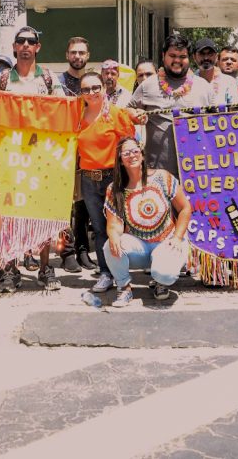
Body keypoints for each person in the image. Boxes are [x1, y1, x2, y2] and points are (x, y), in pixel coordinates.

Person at [0, 26, 65, 291]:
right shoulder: (3, 80)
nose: (25, 45)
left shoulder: (50, 80)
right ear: (14, 47)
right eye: (20, 41)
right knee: (9, 213)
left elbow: (64, 113)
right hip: (9, 158)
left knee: (42, 213)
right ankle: (10, 269)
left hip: (41, 158)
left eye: (31, 42)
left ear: (38, 47)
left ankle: (45, 268)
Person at [103, 137, 192, 307]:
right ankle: (124, 288)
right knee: (109, 245)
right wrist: (114, 235)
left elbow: (185, 209)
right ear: (120, 160)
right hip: (139, 246)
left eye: (135, 151)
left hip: (166, 240)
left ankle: (161, 281)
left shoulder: (162, 178)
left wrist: (178, 237)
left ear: (142, 154)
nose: (132, 155)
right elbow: (114, 224)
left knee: (164, 274)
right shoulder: (115, 189)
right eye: (126, 153)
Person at [76, 72, 138, 293]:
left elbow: (129, 146)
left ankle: (123, 272)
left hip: (113, 178)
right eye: (86, 89)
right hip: (88, 179)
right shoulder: (76, 116)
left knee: (119, 226)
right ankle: (106, 273)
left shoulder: (116, 114)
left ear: (104, 88)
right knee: (100, 229)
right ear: (80, 93)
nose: (91, 93)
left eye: (95, 88)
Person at [130, 33, 215, 176]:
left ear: (190, 58)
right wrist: (133, 114)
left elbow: (217, 123)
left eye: (182, 56)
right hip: (158, 173)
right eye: (172, 55)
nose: (177, 60)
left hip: (197, 172)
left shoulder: (204, 87)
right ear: (163, 56)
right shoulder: (147, 85)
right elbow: (128, 109)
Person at [57, 37, 92, 272]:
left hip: (88, 147)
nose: (77, 56)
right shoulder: (57, 82)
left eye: (81, 53)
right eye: (73, 52)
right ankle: (65, 251)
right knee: (60, 202)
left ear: (87, 55)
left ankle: (82, 248)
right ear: (67, 55)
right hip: (61, 148)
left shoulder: (93, 82)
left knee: (83, 203)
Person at [194, 38, 238, 105]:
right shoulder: (189, 82)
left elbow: (234, 110)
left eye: (210, 54)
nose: (206, 58)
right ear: (194, 57)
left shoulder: (229, 81)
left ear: (216, 57)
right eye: (202, 54)